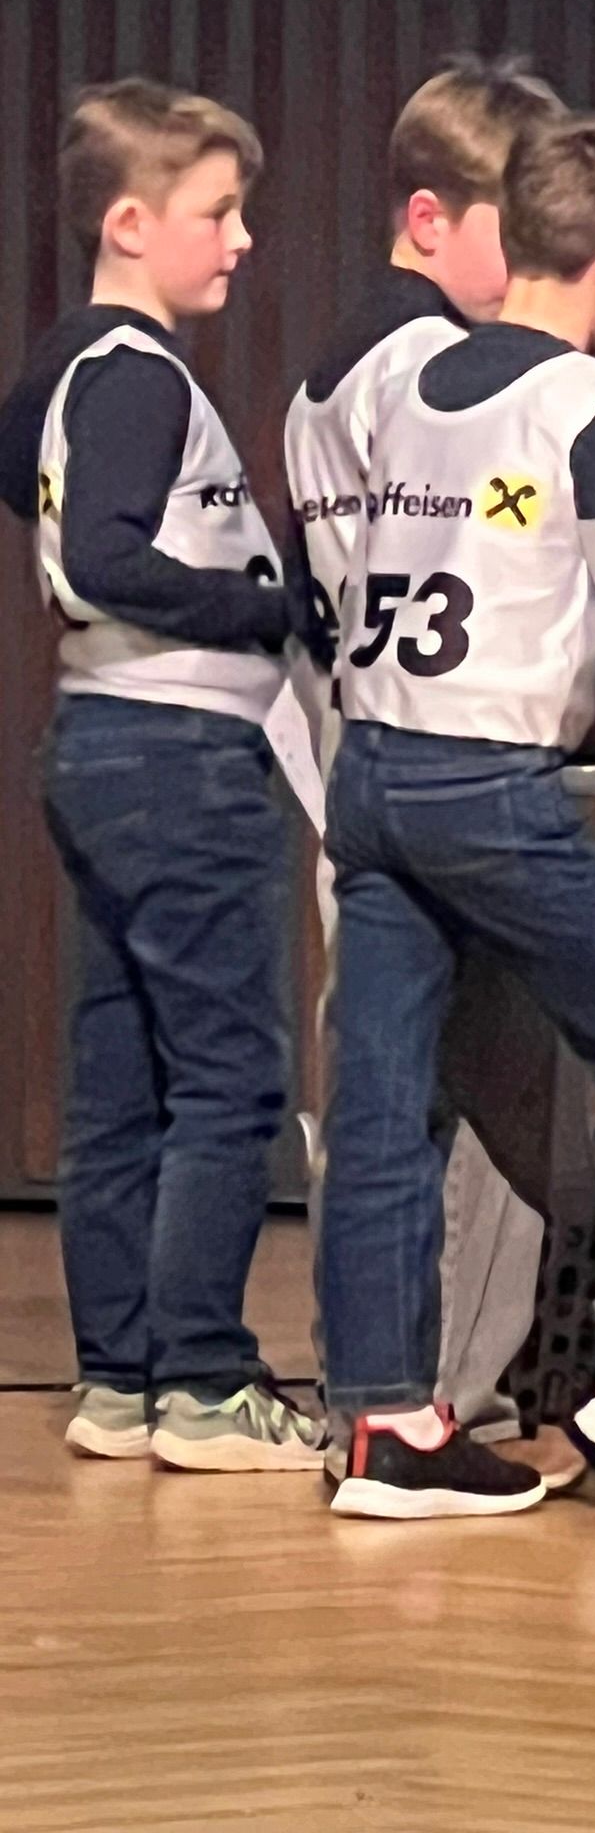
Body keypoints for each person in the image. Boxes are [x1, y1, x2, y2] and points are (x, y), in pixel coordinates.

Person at [321, 108, 595, 1520]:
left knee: (386, 1105)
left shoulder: (410, 381)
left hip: (371, 771)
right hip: (485, 792)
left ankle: (386, 1423)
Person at [0, 79, 321, 1469]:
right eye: (218, 212)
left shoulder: (65, 368)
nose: (241, 238)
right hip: (178, 756)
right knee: (229, 1078)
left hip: (100, 747)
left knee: (121, 1081)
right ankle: (201, 1378)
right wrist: (268, 606)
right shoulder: (136, 372)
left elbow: (40, 500)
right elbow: (101, 559)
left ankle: (118, 1379)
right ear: (129, 225)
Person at [285, 53, 571, 1470]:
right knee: (472, 1090)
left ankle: (383, 1383)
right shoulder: (427, 376)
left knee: (391, 1084)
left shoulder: (333, 368)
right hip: (444, 750)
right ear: (426, 217)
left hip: (367, 751)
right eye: (522, 233)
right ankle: (445, 1392)